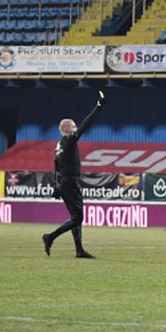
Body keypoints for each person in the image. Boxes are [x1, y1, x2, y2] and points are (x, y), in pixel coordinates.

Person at [43, 91, 105, 259]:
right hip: (70, 183)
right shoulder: (69, 141)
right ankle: (50, 237)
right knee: (78, 218)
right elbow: (86, 125)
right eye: (74, 127)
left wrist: (57, 185)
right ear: (68, 130)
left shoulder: (59, 146)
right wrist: (98, 108)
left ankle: (79, 250)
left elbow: (55, 166)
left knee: (74, 216)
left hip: (64, 183)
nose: (76, 128)